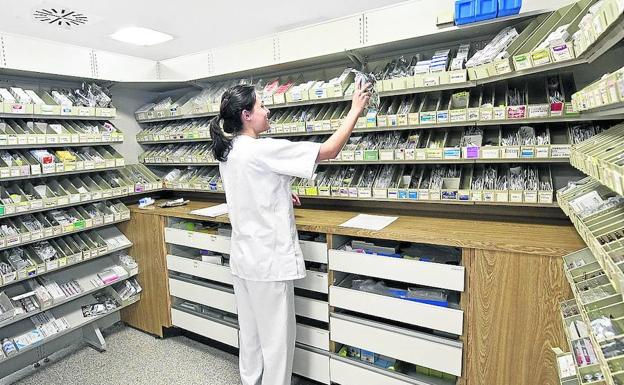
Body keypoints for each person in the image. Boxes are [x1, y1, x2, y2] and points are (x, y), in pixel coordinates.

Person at [209, 80, 370, 385]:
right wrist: (355, 110)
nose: (267, 111)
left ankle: (250, 381)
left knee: (252, 335)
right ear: (246, 115)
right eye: (262, 106)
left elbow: (251, 188)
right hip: (268, 263)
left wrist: (281, 190)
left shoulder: (228, 152)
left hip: (244, 261)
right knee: (278, 342)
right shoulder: (263, 149)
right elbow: (330, 151)